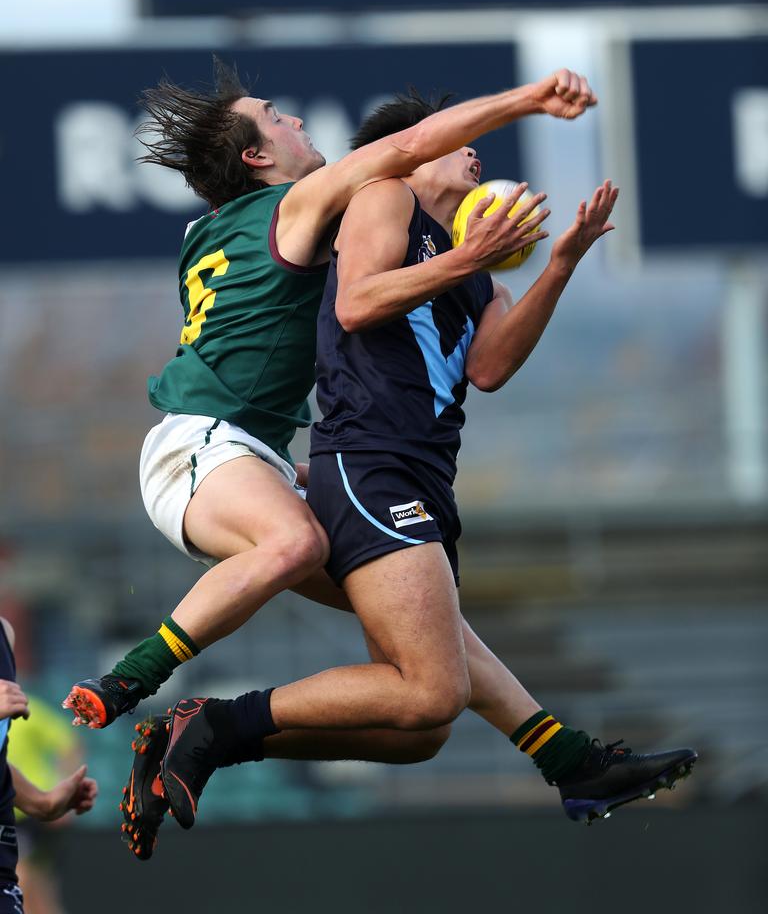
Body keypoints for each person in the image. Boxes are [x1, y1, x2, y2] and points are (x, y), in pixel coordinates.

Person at [140, 91, 696, 848]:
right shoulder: (383, 201)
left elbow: (492, 367)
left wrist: (560, 263)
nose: (475, 155)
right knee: (436, 686)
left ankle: (569, 762)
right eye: (458, 144)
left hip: (423, 478)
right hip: (369, 466)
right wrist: (475, 230)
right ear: (415, 150)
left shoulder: (480, 276)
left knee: (419, 723)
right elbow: (357, 305)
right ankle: (212, 719)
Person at [63, 60, 598, 731]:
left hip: (243, 455)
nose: (295, 119)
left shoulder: (212, 229)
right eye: (275, 117)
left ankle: (562, 755)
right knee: (295, 546)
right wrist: (529, 99)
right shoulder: (288, 208)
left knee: (418, 626)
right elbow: (404, 150)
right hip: (202, 445)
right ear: (257, 156)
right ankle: (131, 681)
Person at [0, 619, 97, 913]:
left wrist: (43, 800)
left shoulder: (4, 633)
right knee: (31, 879)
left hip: (18, 822)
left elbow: (69, 743)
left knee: (36, 885)